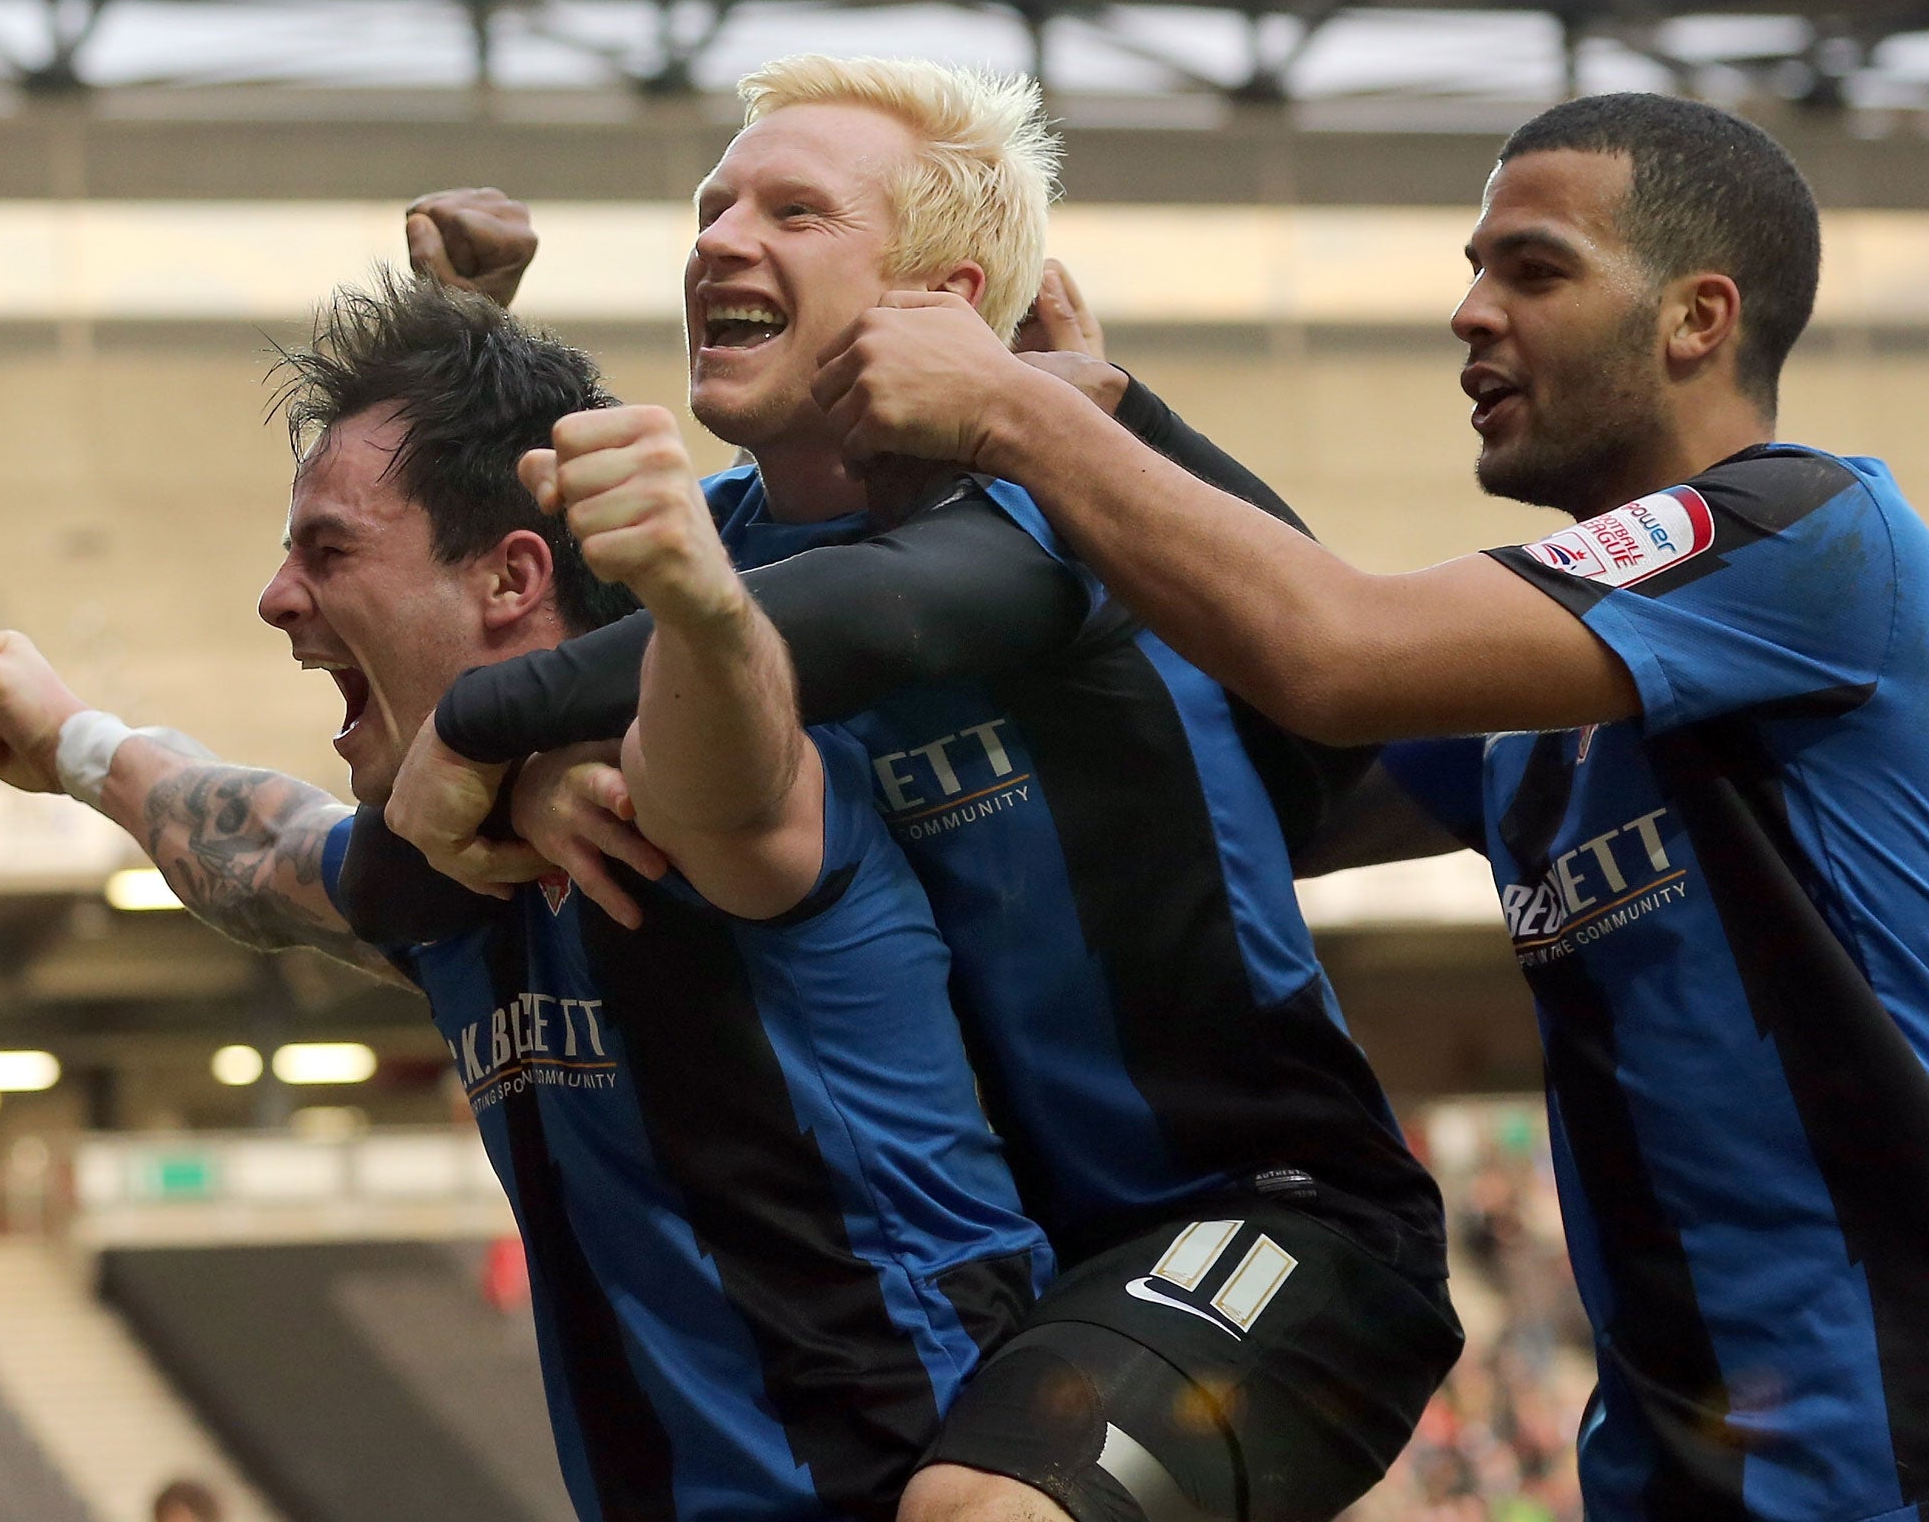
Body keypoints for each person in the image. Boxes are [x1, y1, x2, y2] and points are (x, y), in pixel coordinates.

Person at [814, 90, 1929, 1522]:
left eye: (1532, 270)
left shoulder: (1801, 533)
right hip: (1677, 1477)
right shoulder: (1544, 715)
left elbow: (1334, 656)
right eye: (1473, 268)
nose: (1471, 311)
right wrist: (1118, 413)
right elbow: (1270, 777)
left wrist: (1018, 415)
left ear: (1697, 316)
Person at [384, 56, 1462, 1522]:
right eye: (713, 207)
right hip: (997, 1273)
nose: (716, 239)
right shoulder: (724, 546)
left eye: (795, 210)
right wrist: (462, 336)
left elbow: (846, 615)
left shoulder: (1067, 502)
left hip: (1264, 1224)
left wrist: (493, 722)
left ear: (944, 304)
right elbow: (494, 600)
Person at [0, 272, 1053, 1522]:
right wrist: (75, 744)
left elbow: (730, 715)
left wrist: (675, 583)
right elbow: (256, 854)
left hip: (931, 1482)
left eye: (328, 550)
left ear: (512, 579)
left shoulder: (693, 796)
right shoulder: (445, 876)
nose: (274, 597)